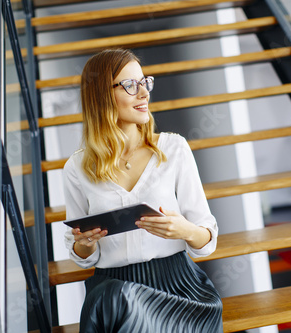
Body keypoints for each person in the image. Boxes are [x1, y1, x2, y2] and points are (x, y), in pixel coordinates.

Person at [63, 48, 223, 332]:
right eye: (129, 85)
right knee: (116, 299)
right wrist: (85, 243)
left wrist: (184, 230)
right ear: (101, 95)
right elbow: (82, 253)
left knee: (119, 302)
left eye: (144, 82)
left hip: (178, 286)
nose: (144, 93)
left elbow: (206, 240)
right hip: (112, 287)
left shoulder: (174, 149)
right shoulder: (76, 168)